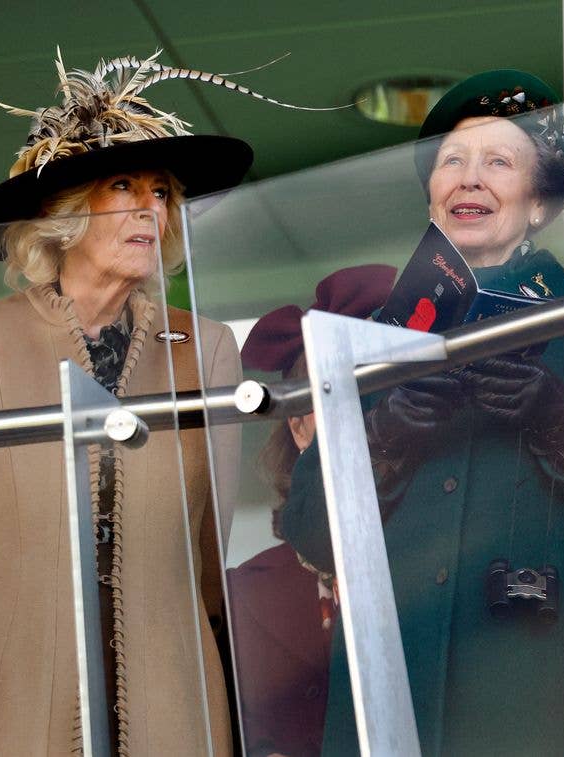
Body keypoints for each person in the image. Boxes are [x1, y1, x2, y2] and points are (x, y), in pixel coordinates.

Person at [279, 71, 564, 755]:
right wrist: (387, 430)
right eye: (452, 162)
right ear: (431, 193)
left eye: (498, 162)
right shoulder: (371, 338)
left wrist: (559, 421)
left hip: (547, 705)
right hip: (395, 695)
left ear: (540, 201)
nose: (468, 179)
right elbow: (311, 530)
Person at [0, 51, 259, 755]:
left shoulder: (204, 351)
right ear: (60, 215)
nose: (150, 207)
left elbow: (207, 565)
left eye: (161, 192)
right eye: (123, 185)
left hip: (170, 714)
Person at [227, 264, 396, 757]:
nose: (361, 424)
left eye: (373, 400)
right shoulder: (245, 595)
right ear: (298, 431)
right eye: (329, 401)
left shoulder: (457, 550)